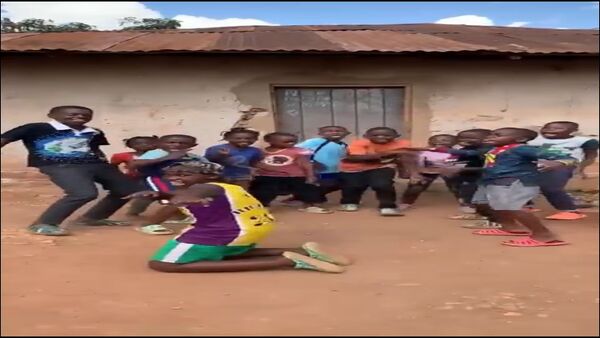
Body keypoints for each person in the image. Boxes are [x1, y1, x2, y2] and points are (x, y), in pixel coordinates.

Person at [126, 161, 351, 273]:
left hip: (222, 234)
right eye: (173, 174)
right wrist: (164, 194)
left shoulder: (203, 190)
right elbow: (184, 195)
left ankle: (287, 261)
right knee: (221, 253)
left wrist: (165, 206)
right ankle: (304, 250)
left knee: (162, 264)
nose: (177, 177)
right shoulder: (222, 186)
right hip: (249, 229)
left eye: (185, 174)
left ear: (209, 175)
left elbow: (190, 196)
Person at [0, 105, 140, 236]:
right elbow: (4, 139)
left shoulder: (94, 131)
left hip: (95, 164)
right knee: (83, 193)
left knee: (128, 190)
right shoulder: (35, 128)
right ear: (52, 115)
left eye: (85, 115)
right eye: (72, 114)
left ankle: (92, 218)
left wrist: (104, 163)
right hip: (58, 165)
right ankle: (43, 224)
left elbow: (94, 148)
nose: (80, 116)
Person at [459, 128, 576, 247]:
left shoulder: (522, 149)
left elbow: (565, 156)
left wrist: (560, 163)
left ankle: (545, 236)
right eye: (490, 135)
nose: (490, 137)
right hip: (492, 180)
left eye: (497, 135)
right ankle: (510, 226)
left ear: (521, 139)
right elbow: (470, 155)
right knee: (482, 203)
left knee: (514, 207)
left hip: (515, 181)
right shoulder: (494, 149)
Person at [130, 134, 210, 235]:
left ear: (193, 145)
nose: (177, 145)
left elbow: (206, 167)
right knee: (166, 196)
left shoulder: (193, 157)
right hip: (157, 178)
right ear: (159, 144)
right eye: (171, 142)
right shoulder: (156, 153)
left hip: (182, 181)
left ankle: (178, 215)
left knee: (181, 196)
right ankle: (148, 222)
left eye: (183, 143)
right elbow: (134, 164)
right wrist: (168, 157)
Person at [527, 121, 599, 220]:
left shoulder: (584, 141)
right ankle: (526, 206)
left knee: (551, 187)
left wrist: (580, 168)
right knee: (517, 183)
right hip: (534, 164)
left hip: (564, 164)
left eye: (557, 128)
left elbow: (590, 157)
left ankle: (570, 210)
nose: (549, 130)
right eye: (546, 128)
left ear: (573, 131)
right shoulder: (533, 140)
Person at [339, 127, 417, 216]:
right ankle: (350, 202)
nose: (381, 137)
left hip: (382, 167)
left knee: (382, 184)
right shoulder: (359, 143)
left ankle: (387, 206)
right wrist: (390, 154)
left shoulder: (403, 144)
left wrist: (406, 171)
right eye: (375, 135)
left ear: (397, 136)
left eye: (387, 135)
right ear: (366, 136)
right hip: (354, 168)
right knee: (353, 186)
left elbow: (405, 157)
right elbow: (356, 157)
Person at [249, 132, 331, 213]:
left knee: (307, 189)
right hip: (267, 176)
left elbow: (306, 164)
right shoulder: (261, 152)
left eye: (294, 141)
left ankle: (311, 205)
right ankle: (263, 206)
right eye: (286, 141)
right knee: (262, 190)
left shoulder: (297, 151)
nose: (291, 143)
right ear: (270, 141)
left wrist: (310, 176)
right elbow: (255, 162)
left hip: (294, 176)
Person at [399, 134, 460, 210]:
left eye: (445, 140)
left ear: (454, 143)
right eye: (437, 140)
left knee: (456, 187)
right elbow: (408, 158)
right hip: (426, 171)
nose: (441, 141)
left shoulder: (458, 153)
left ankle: (465, 202)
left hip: (447, 171)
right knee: (416, 187)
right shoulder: (423, 151)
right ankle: (406, 202)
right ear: (430, 142)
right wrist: (414, 173)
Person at [294, 126, 350, 203]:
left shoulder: (344, 145)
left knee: (335, 183)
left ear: (346, 133)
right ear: (320, 134)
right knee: (316, 184)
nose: (335, 132)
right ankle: (303, 199)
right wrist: (312, 161)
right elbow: (295, 150)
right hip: (316, 171)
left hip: (332, 171)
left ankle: (308, 197)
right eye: (329, 131)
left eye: (339, 131)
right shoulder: (315, 141)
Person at [110, 136, 159, 216]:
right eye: (138, 143)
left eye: (148, 143)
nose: (144, 145)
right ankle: (132, 212)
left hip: (153, 179)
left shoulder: (161, 155)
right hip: (133, 179)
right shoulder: (121, 156)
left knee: (149, 196)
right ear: (130, 145)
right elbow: (112, 166)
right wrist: (118, 175)